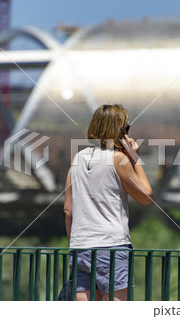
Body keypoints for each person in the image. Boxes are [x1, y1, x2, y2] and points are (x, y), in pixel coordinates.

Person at [63, 104, 152, 301]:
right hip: (112, 246)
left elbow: (68, 209)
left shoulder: (77, 158)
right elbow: (146, 196)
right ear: (118, 130)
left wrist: (76, 244)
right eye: (126, 128)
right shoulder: (118, 159)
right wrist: (135, 158)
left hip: (80, 247)